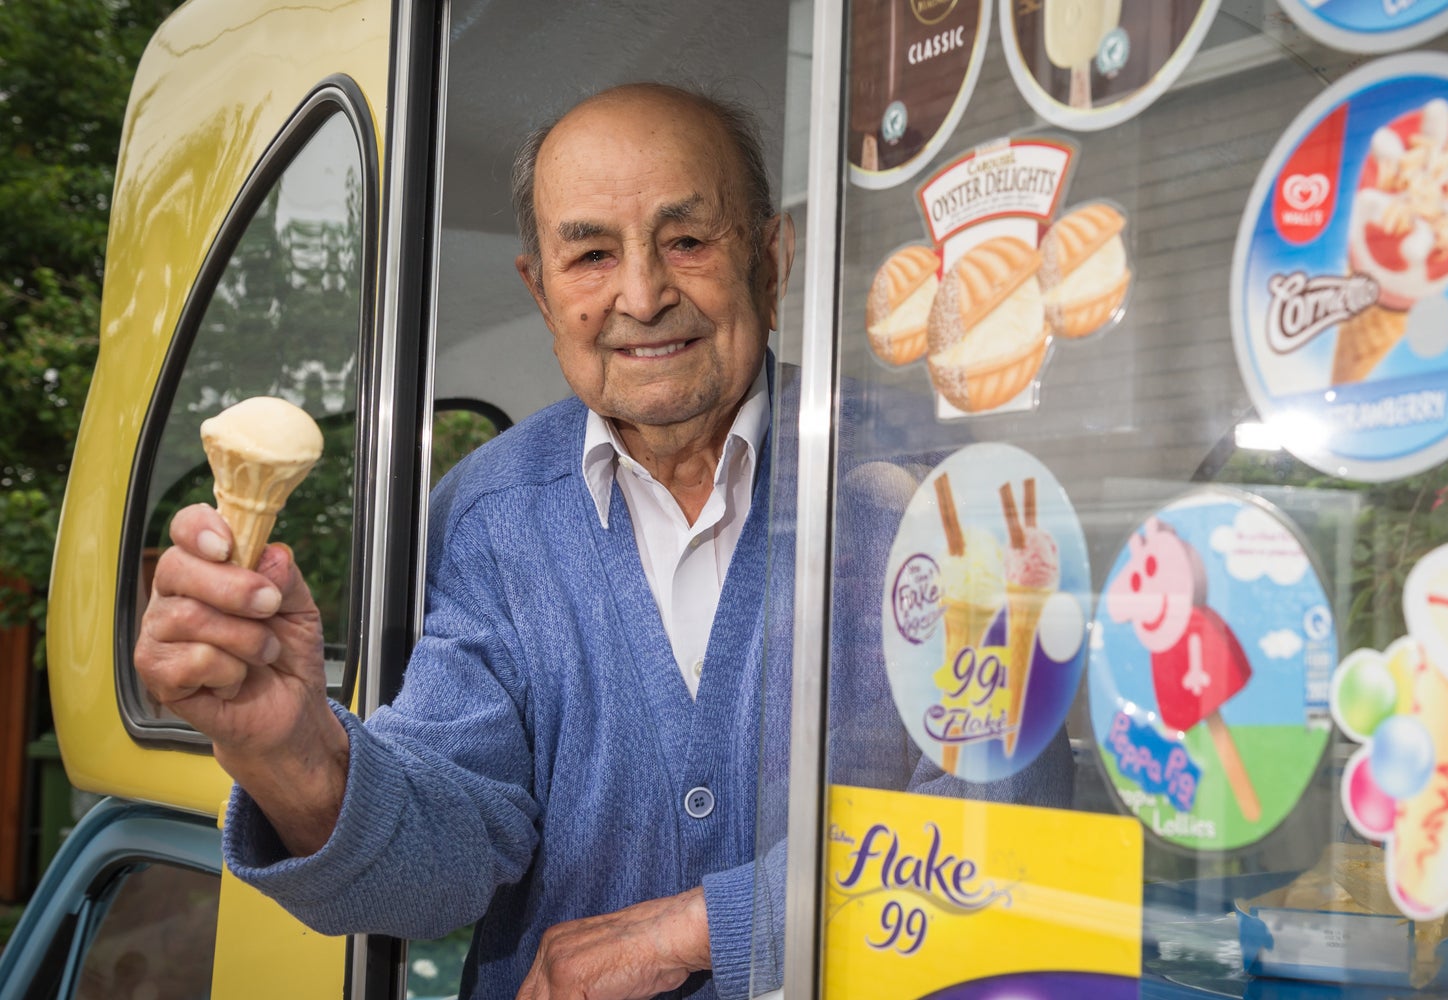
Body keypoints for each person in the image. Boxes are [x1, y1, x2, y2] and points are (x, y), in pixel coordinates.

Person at [134, 82, 1070, 1000]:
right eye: (588, 256)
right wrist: (289, 752)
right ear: (541, 294)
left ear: (772, 261)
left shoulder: (933, 485)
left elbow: (1008, 827)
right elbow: (444, 858)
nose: (642, 293)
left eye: (688, 241)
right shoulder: (490, 513)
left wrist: (701, 928)